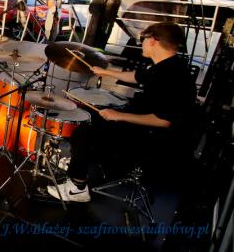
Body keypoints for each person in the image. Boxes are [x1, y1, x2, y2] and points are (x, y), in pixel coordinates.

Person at [47, 22, 196, 203]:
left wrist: (119, 116)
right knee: (91, 117)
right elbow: (136, 76)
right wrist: (106, 72)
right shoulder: (168, 65)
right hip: (144, 125)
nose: (141, 43)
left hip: (153, 138)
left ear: (153, 40)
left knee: (84, 133)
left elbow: (164, 121)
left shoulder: (172, 76)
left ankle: (78, 189)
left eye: (143, 39)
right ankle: (77, 161)